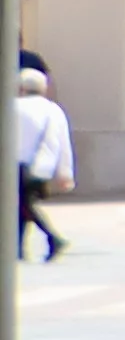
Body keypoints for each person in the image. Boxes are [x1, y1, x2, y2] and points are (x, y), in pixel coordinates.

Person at [12, 55, 70, 260]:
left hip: (15, 166)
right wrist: (65, 173)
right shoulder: (53, 110)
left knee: (21, 206)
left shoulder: (12, 107)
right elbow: (63, 144)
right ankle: (19, 248)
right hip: (40, 167)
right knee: (22, 206)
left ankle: (51, 238)